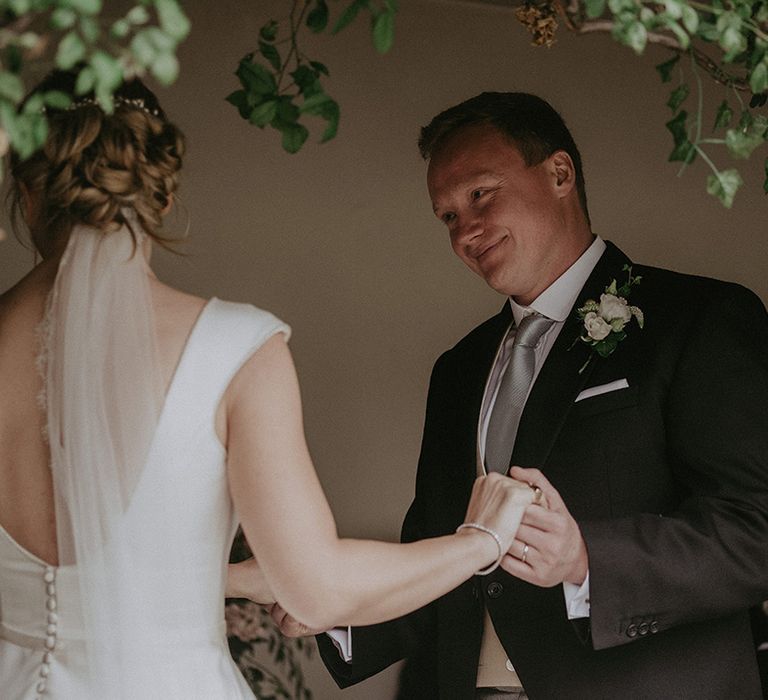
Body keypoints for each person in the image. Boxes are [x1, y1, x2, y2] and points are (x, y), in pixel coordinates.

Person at [0, 74, 540, 699]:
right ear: (162, 194)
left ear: (26, 190)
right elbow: (319, 588)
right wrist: (481, 542)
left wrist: (227, 576)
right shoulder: (232, 349)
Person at [268, 92, 768, 698]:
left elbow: (754, 529)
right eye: (448, 216)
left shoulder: (698, 319)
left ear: (560, 173)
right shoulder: (459, 368)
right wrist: (335, 607)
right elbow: (439, 553)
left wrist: (588, 560)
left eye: (480, 194)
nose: (465, 232)